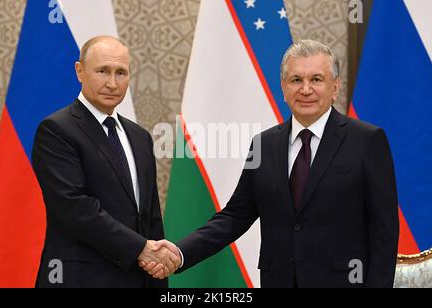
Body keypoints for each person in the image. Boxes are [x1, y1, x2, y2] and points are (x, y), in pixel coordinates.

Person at [142, 40, 400, 288]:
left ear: (335, 87)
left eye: (317, 79)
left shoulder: (367, 141)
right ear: (284, 88)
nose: (306, 89)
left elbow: (384, 232)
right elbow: (234, 217)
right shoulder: (264, 145)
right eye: (296, 80)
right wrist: (179, 252)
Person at [32, 36, 180, 288]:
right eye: (103, 71)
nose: (112, 83)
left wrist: (158, 268)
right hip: (81, 279)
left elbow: (150, 217)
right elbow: (75, 208)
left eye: (121, 73)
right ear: (79, 71)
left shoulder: (140, 137)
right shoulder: (57, 130)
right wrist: (140, 249)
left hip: (138, 278)